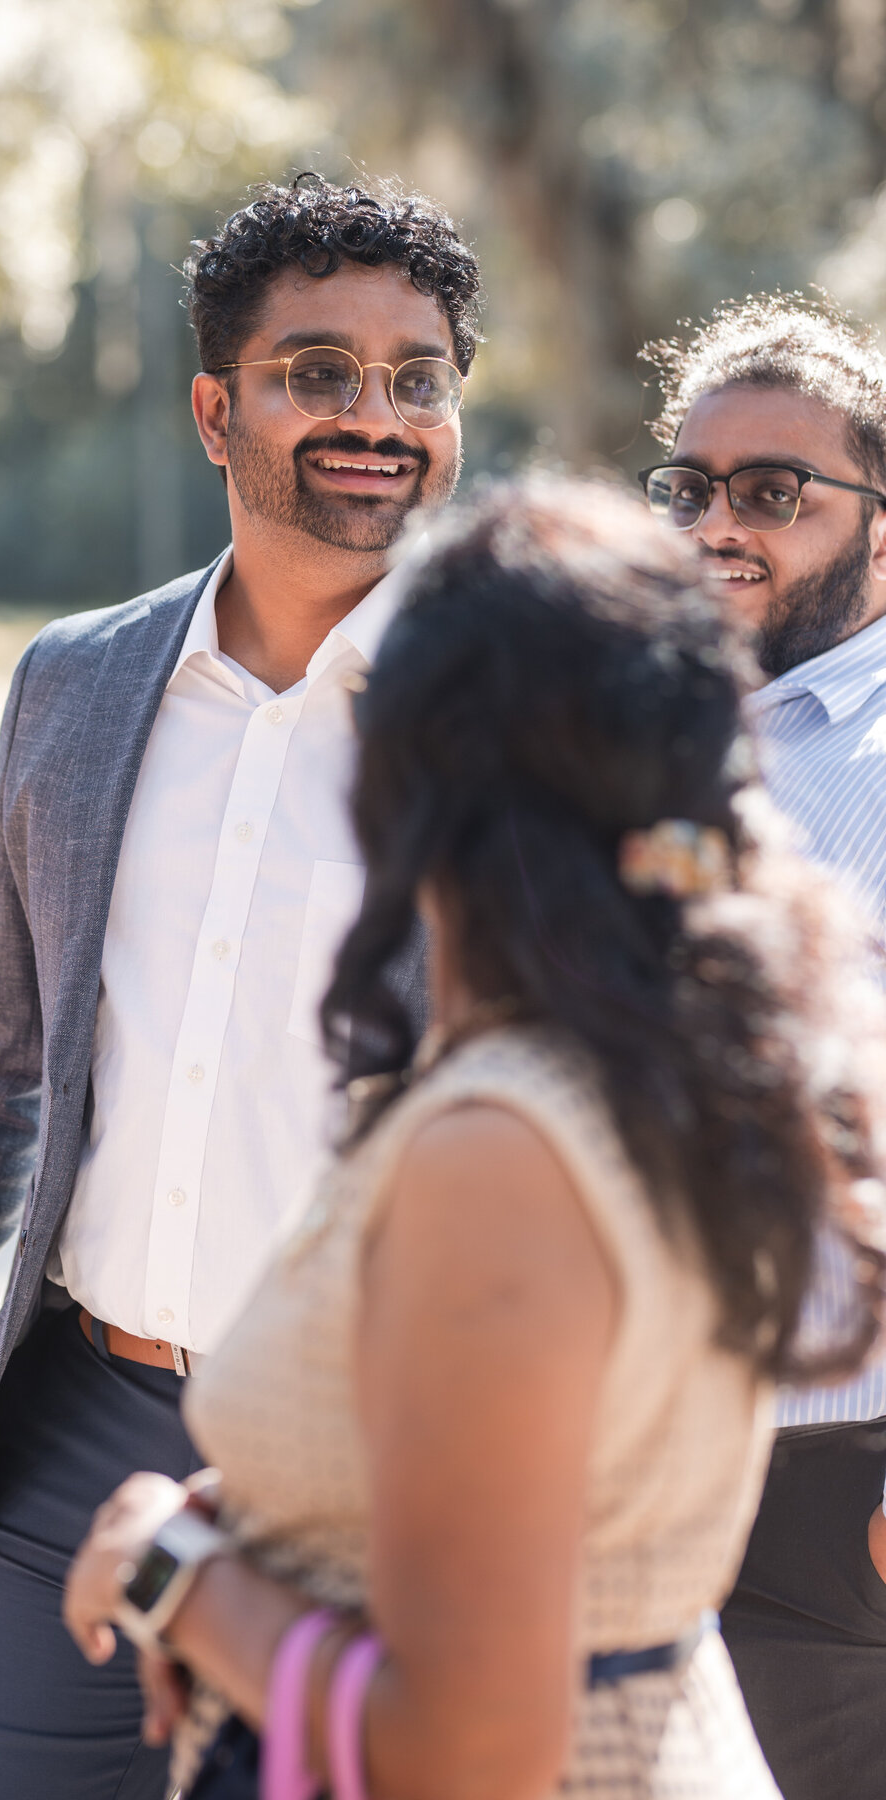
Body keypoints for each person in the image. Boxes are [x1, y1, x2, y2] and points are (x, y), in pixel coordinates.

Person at [64, 477, 886, 1800]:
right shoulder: (680, 1059)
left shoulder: (504, 1149)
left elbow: (469, 1754)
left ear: (416, 770)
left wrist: (169, 1567)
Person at [0, 174, 479, 1800]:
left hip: (377, 1463)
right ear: (213, 411)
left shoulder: (510, 716)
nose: (375, 416)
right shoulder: (79, 683)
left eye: (417, 377)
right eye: (315, 370)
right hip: (77, 1417)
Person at [639, 295, 886, 1800]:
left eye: (774, 491)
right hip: (631, 1459)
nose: (719, 522)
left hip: (831, 1475)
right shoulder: (650, 734)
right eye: (691, 486)